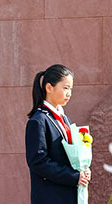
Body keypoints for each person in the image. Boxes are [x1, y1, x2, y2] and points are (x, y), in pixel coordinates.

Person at [25, 64, 90, 203]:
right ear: (49, 88)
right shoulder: (38, 121)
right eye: (65, 88)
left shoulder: (65, 119)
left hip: (68, 196)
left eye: (71, 89)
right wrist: (73, 176)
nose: (69, 93)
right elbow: (38, 162)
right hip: (51, 197)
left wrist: (82, 170)